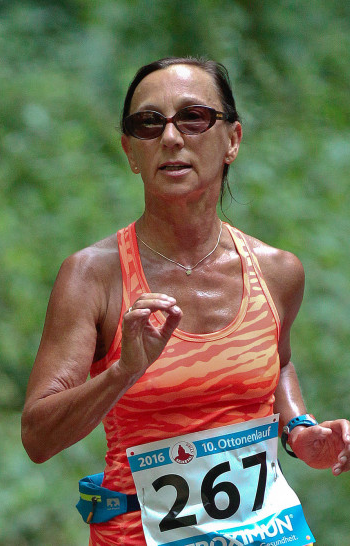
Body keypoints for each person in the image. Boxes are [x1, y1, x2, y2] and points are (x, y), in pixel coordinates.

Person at [21, 57, 350, 546]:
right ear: (131, 151)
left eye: (193, 118)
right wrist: (121, 371)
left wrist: (301, 431)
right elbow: (38, 438)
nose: (171, 138)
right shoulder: (94, 276)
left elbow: (277, 363)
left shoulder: (277, 271)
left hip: (270, 534)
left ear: (233, 140)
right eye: (148, 124)